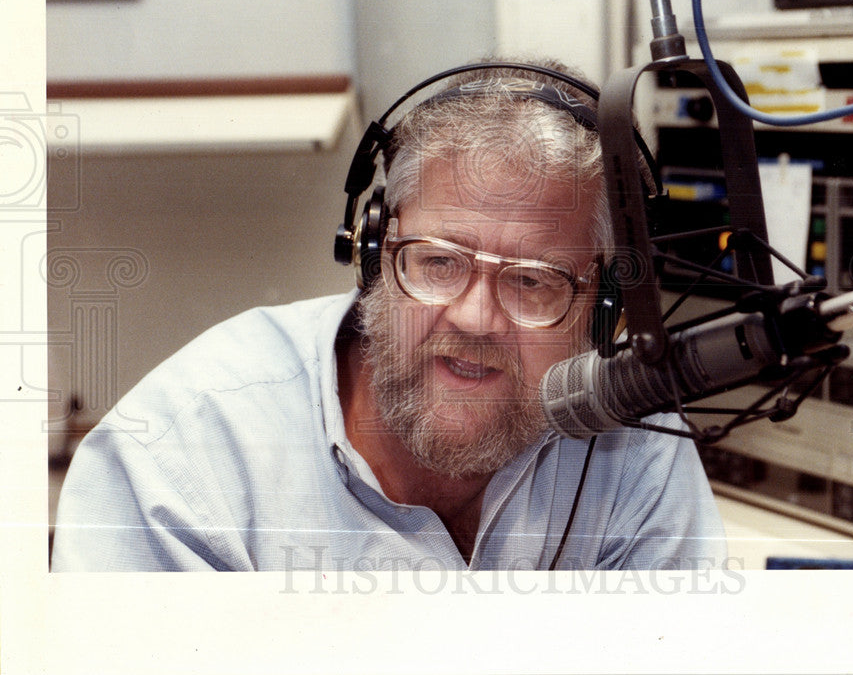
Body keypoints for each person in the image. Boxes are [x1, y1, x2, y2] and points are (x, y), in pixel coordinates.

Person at [51, 61, 726, 572]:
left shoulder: (637, 449)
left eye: (532, 282)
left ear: (602, 309)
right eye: (437, 262)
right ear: (374, 254)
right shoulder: (181, 456)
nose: (474, 316)